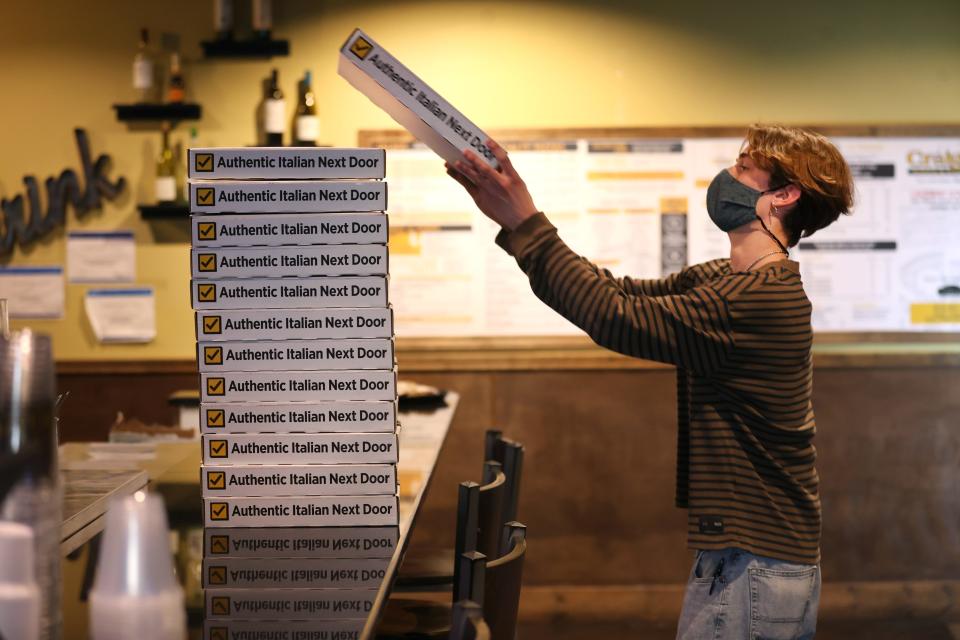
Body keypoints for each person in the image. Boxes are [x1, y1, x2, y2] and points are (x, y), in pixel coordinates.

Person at [446, 124, 854, 640]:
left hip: (758, 561)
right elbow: (615, 293)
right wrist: (519, 224)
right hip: (747, 557)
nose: (728, 175)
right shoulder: (725, 281)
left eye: (745, 166)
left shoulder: (757, 300)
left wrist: (525, 221)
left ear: (784, 195)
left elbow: (611, 315)